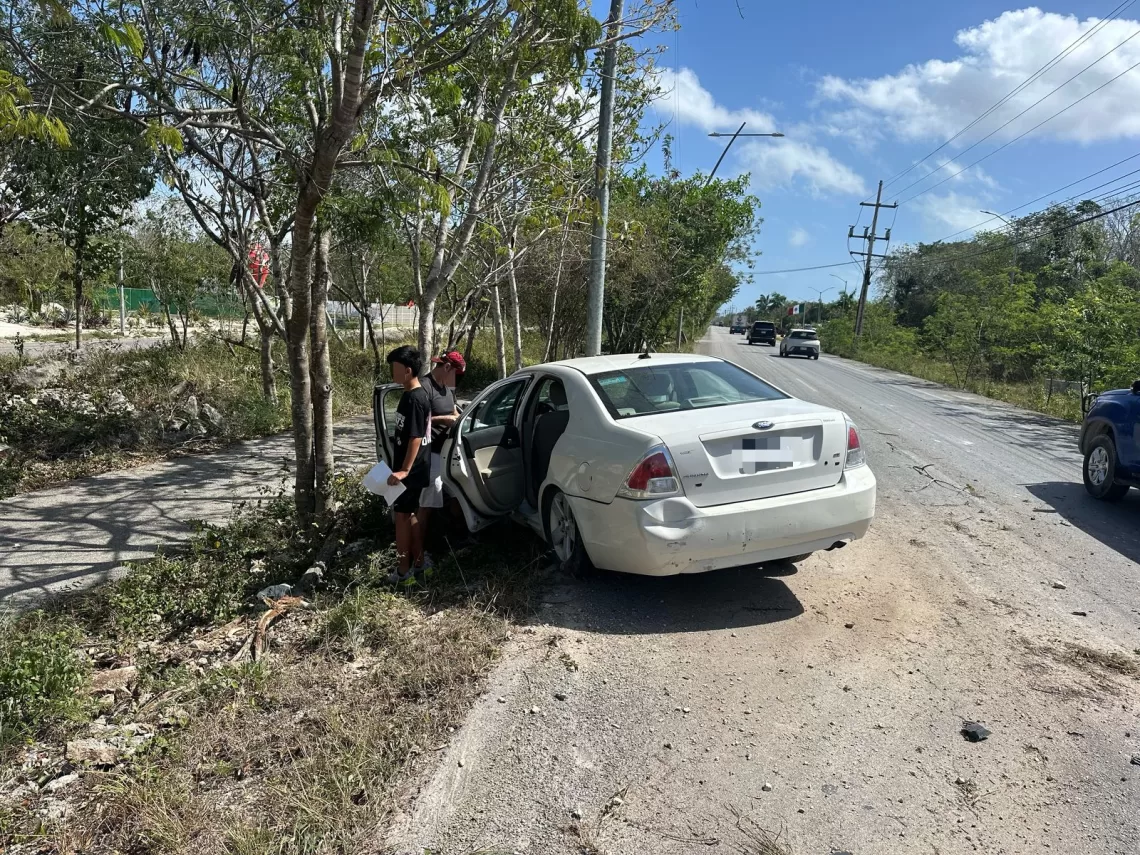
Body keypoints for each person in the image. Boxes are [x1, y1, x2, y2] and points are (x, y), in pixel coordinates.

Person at [385, 345, 431, 586]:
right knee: (409, 514)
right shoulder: (410, 394)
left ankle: (404, 572)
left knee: (401, 518)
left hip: (411, 471)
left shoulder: (415, 398)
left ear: (408, 370)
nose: (392, 373)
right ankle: (421, 562)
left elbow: (415, 437)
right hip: (412, 469)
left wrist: (404, 470)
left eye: (396, 368)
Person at [419, 351, 466, 565]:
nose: (457, 380)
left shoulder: (447, 388)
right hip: (430, 455)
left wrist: (459, 417)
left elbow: (454, 408)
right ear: (447, 368)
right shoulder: (424, 387)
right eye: (456, 374)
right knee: (428, 502)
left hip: (448, 453)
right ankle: (420, 551)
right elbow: (417, 419)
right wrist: (443, 420)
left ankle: (455, 539)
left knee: (457, 493)